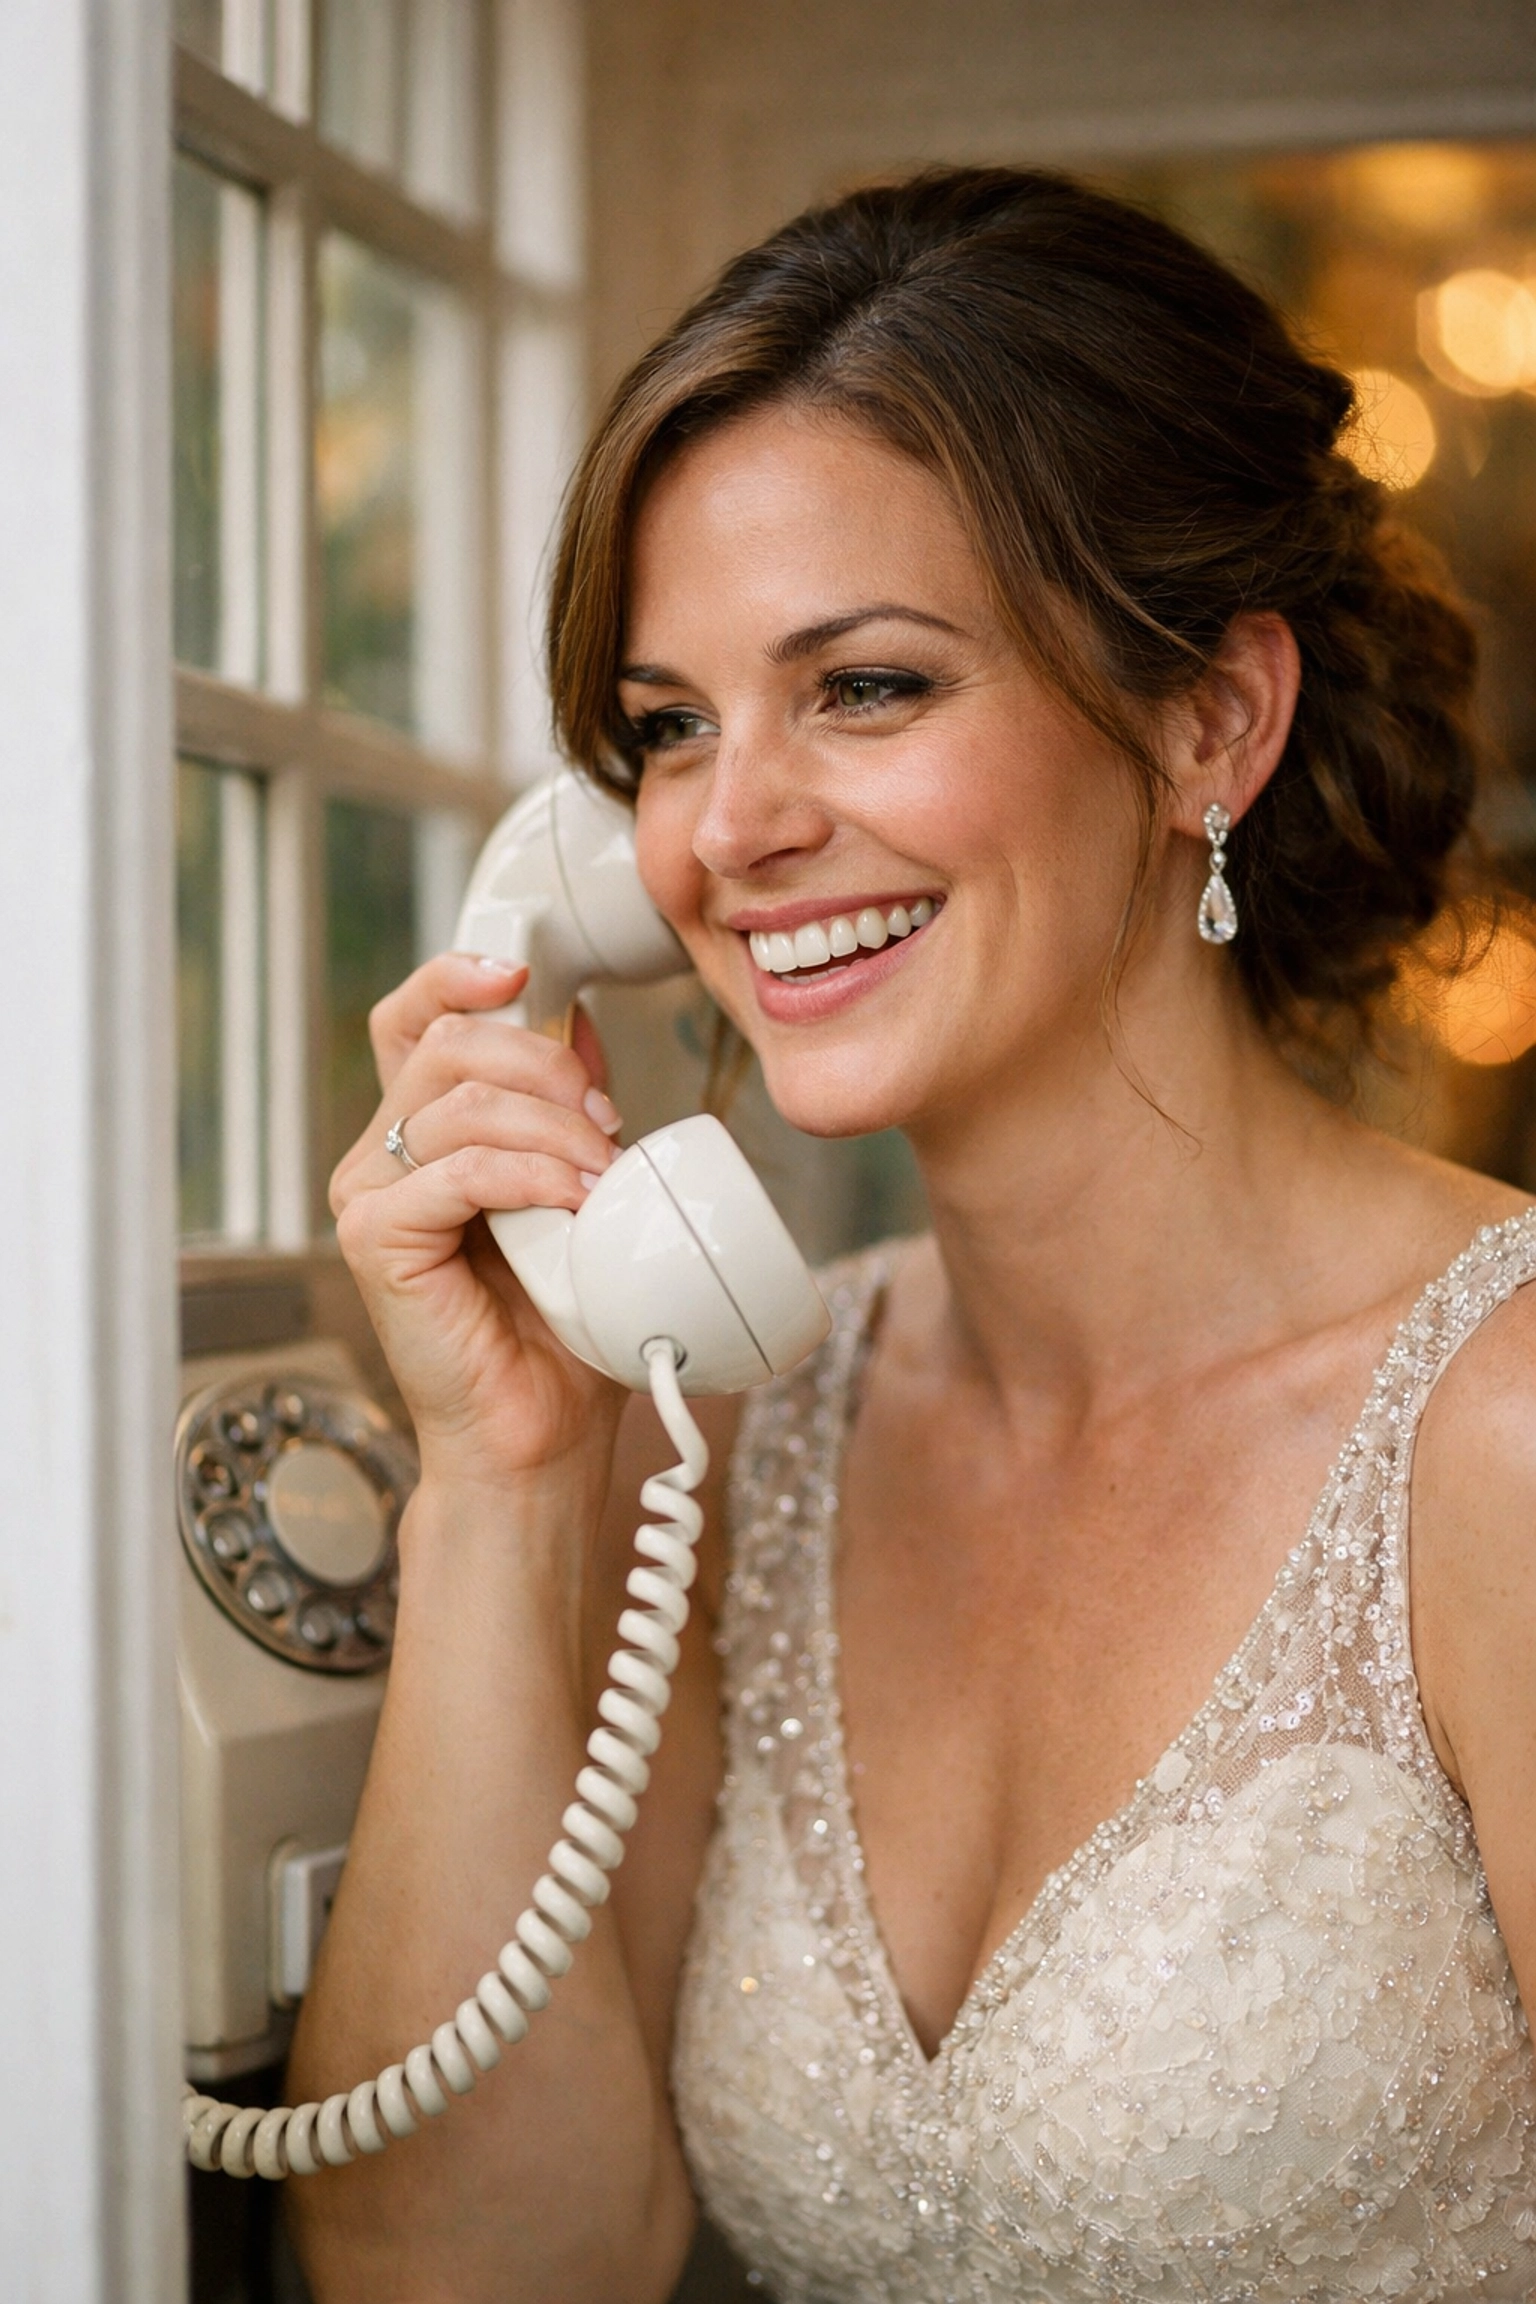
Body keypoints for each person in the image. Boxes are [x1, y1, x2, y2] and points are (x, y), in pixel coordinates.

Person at [289, 168, 1536, 2303]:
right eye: (670, 728)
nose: (731, 830)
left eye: (864, 686)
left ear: (1210, 723)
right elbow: (464, 2278)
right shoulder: (736, 1436)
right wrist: (504, 1488)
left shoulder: (1499, 1434)